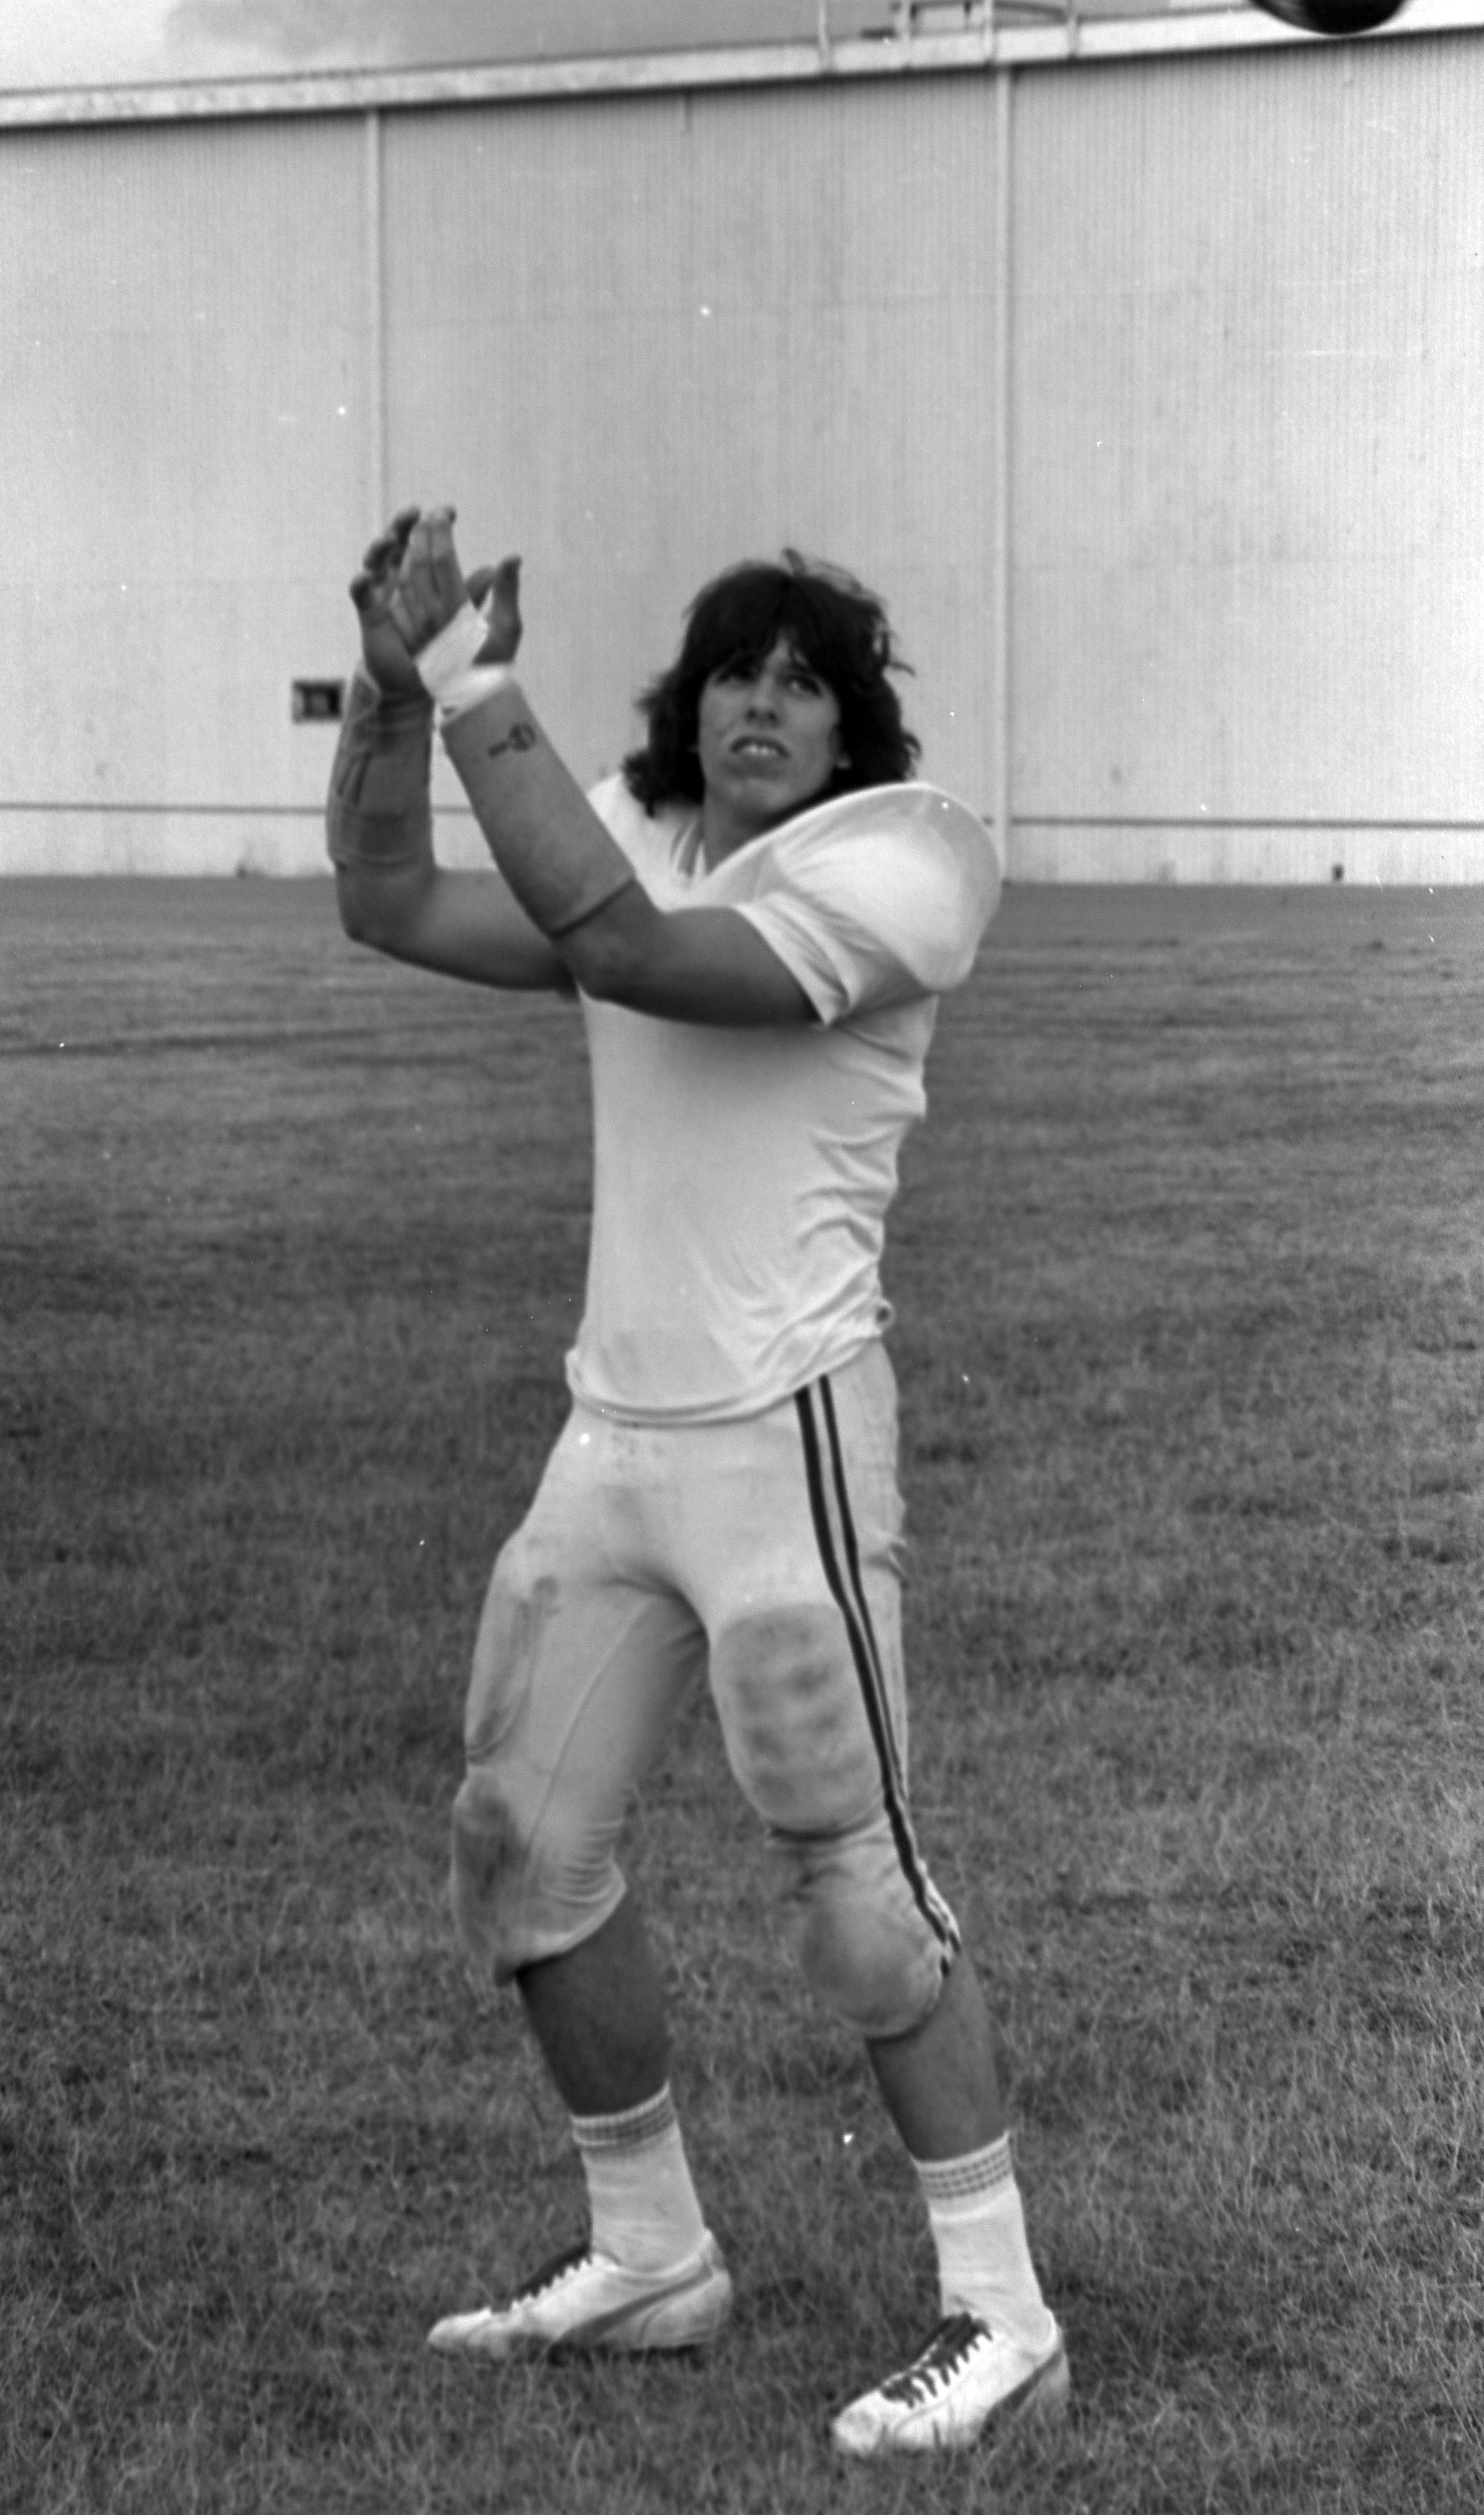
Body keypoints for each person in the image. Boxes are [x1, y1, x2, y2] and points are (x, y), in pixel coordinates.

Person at [325, 505, 1067, 2457]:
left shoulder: (901, 866)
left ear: (853, 731)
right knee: (521, 1848)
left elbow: (628, 947)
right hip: (614, 1435)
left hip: (783, 1432)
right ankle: (653, 2253)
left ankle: (1005, 2316)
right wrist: (391, 700)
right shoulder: (641, 833)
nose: (763, 701)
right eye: (737, 667)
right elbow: (389, 900)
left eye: (806, 682)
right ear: (694, 700)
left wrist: (472, 675)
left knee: (856, 1890)